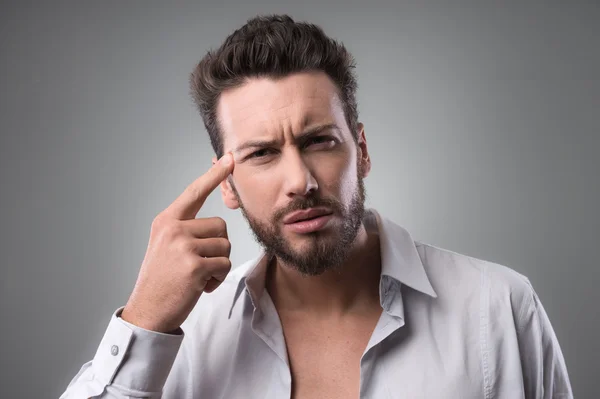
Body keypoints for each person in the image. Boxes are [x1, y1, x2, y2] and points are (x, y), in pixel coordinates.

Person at [60, 14, 573, 399]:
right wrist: (145, 319)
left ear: (362, 150)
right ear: (228, 184)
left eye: (319, 141)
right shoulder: (183, 337)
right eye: (261, 153)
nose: (300, 182)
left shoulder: (498, 308)